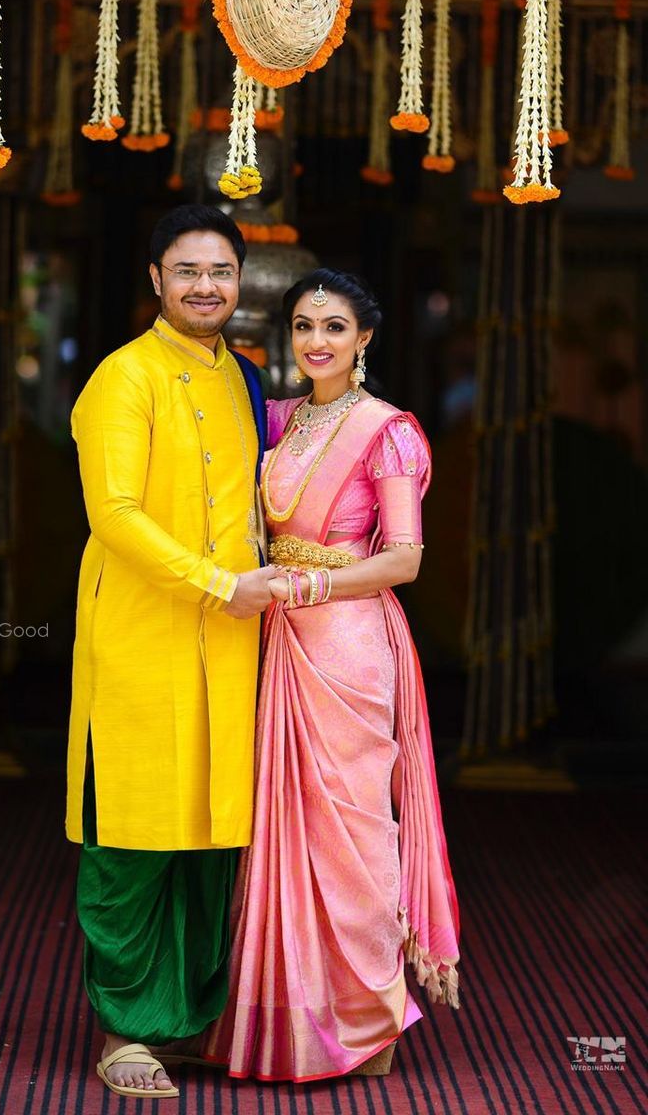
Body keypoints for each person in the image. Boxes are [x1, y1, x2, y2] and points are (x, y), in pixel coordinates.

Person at [203, 268, 461, 1082]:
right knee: (284, 832)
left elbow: (405, 557)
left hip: (348, 639)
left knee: (351, 833)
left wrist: (313, 583)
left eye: (335, 327)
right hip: (280, 640)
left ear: (366, 338)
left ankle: (369, 1020)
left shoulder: (386, 430)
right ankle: (287, 1019)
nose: (317, 341)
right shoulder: (282, 421)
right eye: (305, 326)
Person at [66, 204, 280, 1098]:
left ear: (238, 282)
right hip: (142, 644)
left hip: (234, 649)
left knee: (211, 841)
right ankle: (125, 1028)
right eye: (187, 271)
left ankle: (187, 1024)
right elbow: (114, 515)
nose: (205, 287)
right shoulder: (124, 377)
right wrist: (220, 583)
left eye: (220, 272)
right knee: (134, 844)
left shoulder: (247, 380)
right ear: (155, 279)